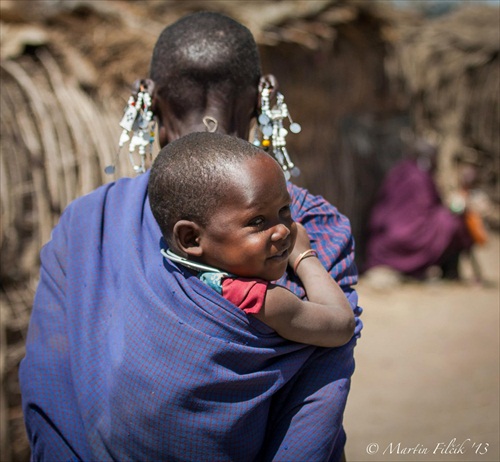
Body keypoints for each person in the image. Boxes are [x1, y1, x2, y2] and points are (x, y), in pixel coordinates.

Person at [20, 11, 362, 462]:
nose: (277, 228)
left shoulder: (90, 222)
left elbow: (51, 380)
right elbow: (318, 400)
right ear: (265, 98)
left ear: (148, 102)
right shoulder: (312, 226)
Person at [149, 132, 355, 348]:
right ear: (190, 238)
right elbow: (342, 324)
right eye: (257, 221)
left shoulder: (159, 274)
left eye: (285, 210)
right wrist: (305, 257)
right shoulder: (265, 301)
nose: (283, 231)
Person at [364, 137, 475, 280]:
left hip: (385, 235)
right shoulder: (417, 177)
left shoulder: (399, 170)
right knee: (451, 223)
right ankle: (448, 271)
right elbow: (426, 207)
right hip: (408, 233)